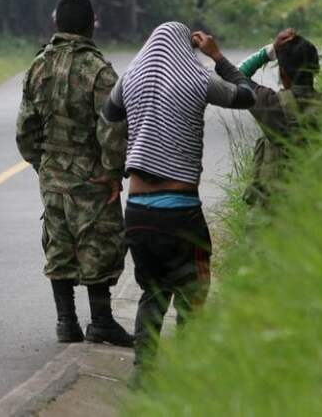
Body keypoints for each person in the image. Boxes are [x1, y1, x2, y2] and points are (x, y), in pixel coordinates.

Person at [101, 22, 255, 380]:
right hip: (182, 215)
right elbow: (246, 95)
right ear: (186, 50)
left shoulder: (131, 79)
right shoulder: (198, 80)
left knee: (152, 293)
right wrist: (217, 57)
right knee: (192, 293)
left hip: (137, 214)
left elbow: (108, 117)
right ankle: (190, 372)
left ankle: (143, 376)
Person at [16, 0, 133, 346]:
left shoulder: (38, 66)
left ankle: (66, 322)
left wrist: (44, 164)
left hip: (53, 170)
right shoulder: (99, 71)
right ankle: (101, 321)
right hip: (92, 172)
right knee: (99, 241)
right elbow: (113, 127)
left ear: (56, 23)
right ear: (91, 24)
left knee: (58, 243)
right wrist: (113, 172)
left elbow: (25, 129)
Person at [237, 28, 322, 205]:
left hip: (273, 215)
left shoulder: (272, 105)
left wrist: (270, 51)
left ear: (282, 74)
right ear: (316, 69)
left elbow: (235, 76)